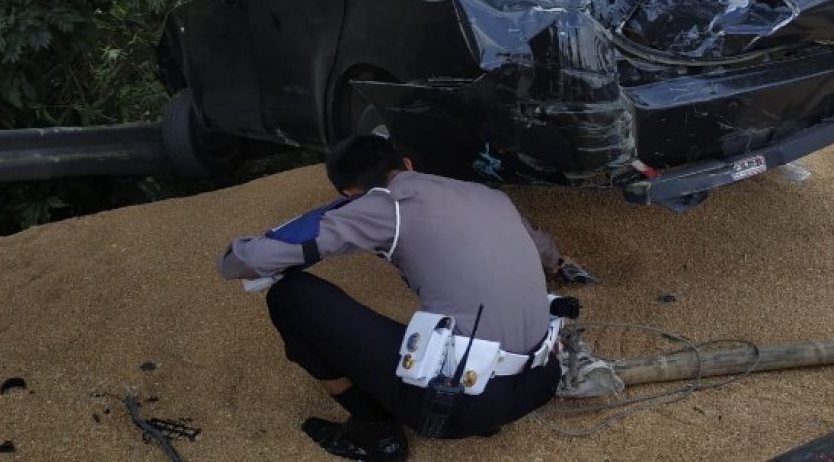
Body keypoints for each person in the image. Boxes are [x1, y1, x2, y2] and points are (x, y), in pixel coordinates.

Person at [216, 134, 592, 461]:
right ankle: (481, 414)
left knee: (290, 296)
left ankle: (374, 433)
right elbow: (543, 247)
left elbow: (255, 261)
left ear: (349, 195)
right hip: (541, 379)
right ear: (407, 164)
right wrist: (560, 264)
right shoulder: (488, 195)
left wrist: (233, 255)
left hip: (463, 405)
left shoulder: (385, 206)